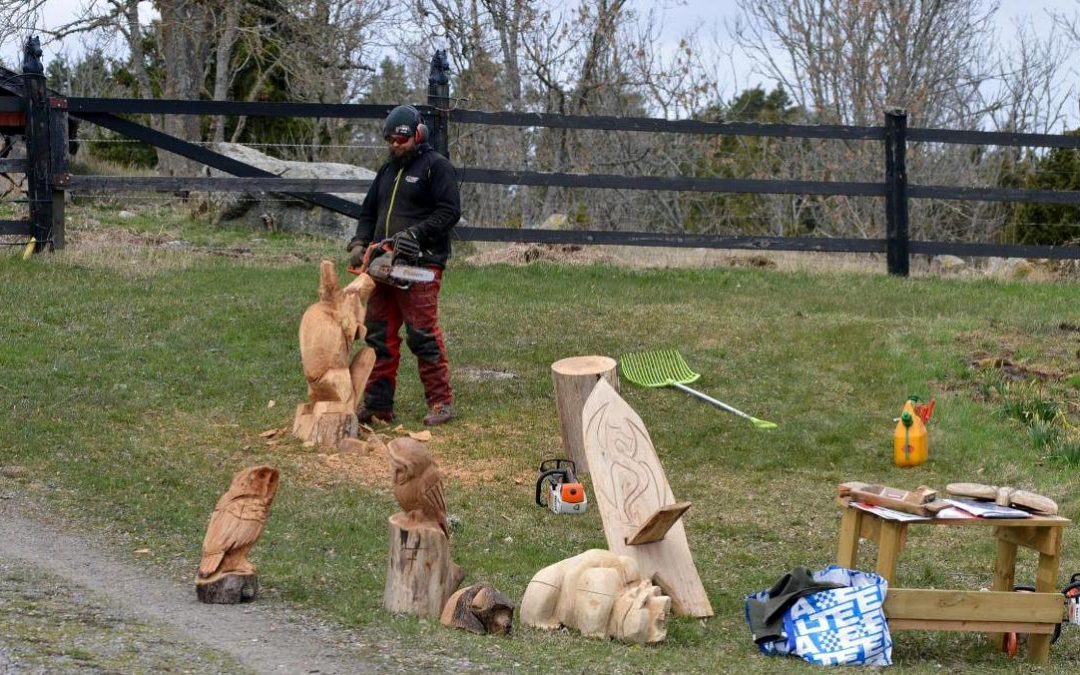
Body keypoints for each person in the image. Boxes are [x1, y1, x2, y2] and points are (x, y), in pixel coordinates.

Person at [347, 105, 461, 426]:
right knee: (379, 335)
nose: (396, 145)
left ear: (418, 134)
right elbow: (368, 213)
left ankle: (440, 402)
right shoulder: (387, 171)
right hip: (381, 265)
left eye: (402, 138)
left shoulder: (435, 167)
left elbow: (449, 211)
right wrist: (359, 243)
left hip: (419, 265)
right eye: (391, 140)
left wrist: (415, 234)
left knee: (421, 333)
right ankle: (378, 404)